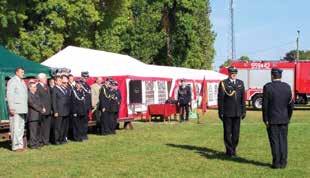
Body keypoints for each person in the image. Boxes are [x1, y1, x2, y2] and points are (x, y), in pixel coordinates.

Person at [262, 68, 294, 169]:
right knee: (283, 141)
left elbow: (265, 105)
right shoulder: (287, 87)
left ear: (272, 76)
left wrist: (265, 119)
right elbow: (291, 105)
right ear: (281, 76)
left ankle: (276, 163)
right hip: (284, 119)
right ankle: (283, 163)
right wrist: (288, 117)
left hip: (272, 119)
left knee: (274, 141)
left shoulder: (268, 87)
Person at [218, 66, 246, 157]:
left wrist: (244, 111)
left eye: (235, 73)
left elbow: (243, 99)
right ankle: (229, 151)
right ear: (229, 73)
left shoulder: (240, 83)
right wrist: (220, 111)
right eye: (232, 73)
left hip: (237, 112)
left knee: (236, 133)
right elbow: (220, 99)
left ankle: (234, 149)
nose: (233, 74)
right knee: (227, 132)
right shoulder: (223, 83)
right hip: (227, 112)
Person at [7, 67, 28, 151]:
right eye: (21, 72)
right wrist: (11, 107)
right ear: (16, 72)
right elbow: (9, 94)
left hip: (22, 108)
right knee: (15, 128)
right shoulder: (12, 81)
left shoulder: (22, 81)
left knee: (21, 127)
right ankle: (15, 146)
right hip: (15, 108)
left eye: (23, 72)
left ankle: (20, 145)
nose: (23, 73)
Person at [51, 76, 70, 145]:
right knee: (57, 127)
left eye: (61, 80)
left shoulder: (63, 88)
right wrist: (55, 111)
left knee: (63, 127)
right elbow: (53, 101)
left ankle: (62, 139)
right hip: (59, 111)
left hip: (65, 111)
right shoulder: (54, 89)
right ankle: (56, 140)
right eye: (59, 80)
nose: (60, 82)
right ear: (55, 81)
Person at [27, 82, 45, 149]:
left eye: (36, 87)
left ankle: (37, 143)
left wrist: (43, 107)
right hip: (33, 116)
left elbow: (40, 102)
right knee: (33, 131)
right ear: (30, 87)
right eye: (34, 87)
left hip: (38, 115)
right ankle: (32, 144)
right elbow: (32, 104)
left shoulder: (36, 94)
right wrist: (41, 109)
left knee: (38, 131)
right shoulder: (28, 94)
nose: (36, 88)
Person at [36, 73, 52, 146]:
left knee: (47, 126)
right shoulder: (37, 86)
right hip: (42, 110)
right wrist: (42, 107)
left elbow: (49, 98)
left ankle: (46, 140)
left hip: (48, 110)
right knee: (41, 127)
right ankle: (40, 141)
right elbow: (37, 99)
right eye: (45, 78)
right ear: (40, 79)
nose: (46, 79)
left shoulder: (47, 87)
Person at [80, 72, 92, 140]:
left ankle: (84, 134)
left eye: (87, 77)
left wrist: (89, 106)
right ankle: (81, 134)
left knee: (85, 121)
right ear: (81, 77)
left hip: (86, 106)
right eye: (84, 77)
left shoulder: (87, 85)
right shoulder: (80, 84)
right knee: (81, 121)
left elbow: (89, 96)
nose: (85, 79)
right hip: (82, 106)